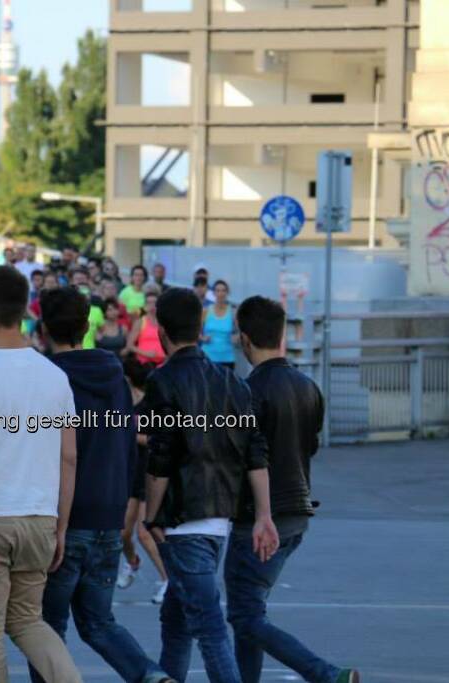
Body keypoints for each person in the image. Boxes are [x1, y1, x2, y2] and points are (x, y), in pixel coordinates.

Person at [28, 287, 174, 683]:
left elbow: (47, 448)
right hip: (108, 516)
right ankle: (149, 674)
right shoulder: (114, 373)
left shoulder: (47, 377)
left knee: (45, 629)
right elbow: (127, 442)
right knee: (99, 622)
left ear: (43, 329)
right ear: (87, 326)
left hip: (66, 516)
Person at [140, 287, 277, 683]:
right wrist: (264, 515)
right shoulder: (233, 381)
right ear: (202, 327)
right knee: (177, 620)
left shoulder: (163, 380)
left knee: (208, 627)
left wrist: (152, 514)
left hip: (184, 521)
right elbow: (255, 453)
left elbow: (160, 456)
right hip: (220, 518)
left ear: (161, 331)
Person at [0, 265, 82, 683]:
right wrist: (59, 527)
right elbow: (69, 458)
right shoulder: (55, 375)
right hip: (40, 519)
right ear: (26, 308)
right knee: (28, 620)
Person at [226, 297, 360, 683]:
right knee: (250, 613)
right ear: (282, 335)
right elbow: (309, 446)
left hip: (257, 519)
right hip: (297, 513)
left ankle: (326, 674)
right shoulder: (308, 387)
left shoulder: (247, 392)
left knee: (244, 615)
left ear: (245, 338)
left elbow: (245, 458)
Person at [116, 356, 168, 605]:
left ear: (127, 379)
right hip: (132, 472)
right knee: (123, 532)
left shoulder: (151, 405)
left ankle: (168, 578)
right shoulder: (124, 404)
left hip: (151, 471)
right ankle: (133, 562)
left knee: (145, 531)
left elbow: (158, 440)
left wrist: (131, 434)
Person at [201, 280, 237, 370]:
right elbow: (194, 331)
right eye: (218, 290)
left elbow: (241, 332)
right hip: (208, 357)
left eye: (223, 290)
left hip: (227, 358)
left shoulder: (233, 312)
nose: (221, 293)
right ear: (213, 293)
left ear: (227, 292)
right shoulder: (206, 311)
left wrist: (236, 337)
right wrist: (201, 338)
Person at [125, 290, 166, 367]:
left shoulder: (164, 322)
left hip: (163, 363)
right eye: (149, 303)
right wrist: (146, 353)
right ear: (145, 305)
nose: (152, 305)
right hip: (144, 363)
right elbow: (129, 345)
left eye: (154, 302)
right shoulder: (140, 322)